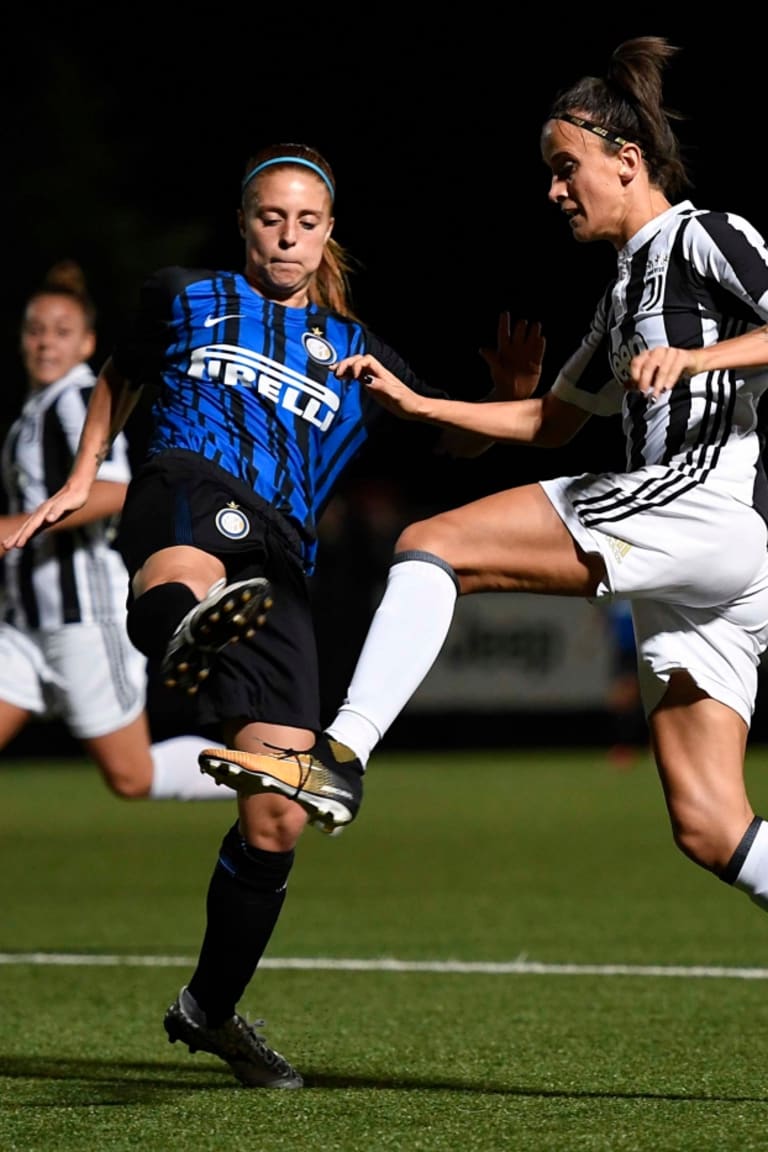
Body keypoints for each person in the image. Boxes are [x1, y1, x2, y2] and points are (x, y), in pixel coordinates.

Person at [203, 40, 768, 942]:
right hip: (704, 561)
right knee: (710, 825)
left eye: (565, 168)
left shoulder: (707, 237)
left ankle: (340, 756)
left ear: (627, 162)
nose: (554, 189)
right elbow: (551, 423)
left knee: (435, 544)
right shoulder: (624, 295)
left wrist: (700, 356)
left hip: (700, 505)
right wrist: (420, 401)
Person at [0, 145, 533, 1088]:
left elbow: (447, 439)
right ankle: (179, 632)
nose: (285, 237)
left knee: (279, 819)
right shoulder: (184, 295)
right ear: (243, 222)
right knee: (188, 554)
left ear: (328, 231)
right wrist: (84, 476)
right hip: (185, 484)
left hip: (285, 561)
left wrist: (505, 397)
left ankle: (209, 1010)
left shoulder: (355, 348)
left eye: (305, 222)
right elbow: (121, 376)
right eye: (268, 219)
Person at [1, 260, 223, 800]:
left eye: (61, 332)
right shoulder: (35, 412)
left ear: (86, 344)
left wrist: (13, 527)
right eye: (36, 331)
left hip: (83, 620)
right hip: (23, 624)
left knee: (132, 777)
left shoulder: (76, 396)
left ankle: (275, 770)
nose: (46, 343)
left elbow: (114, 487)